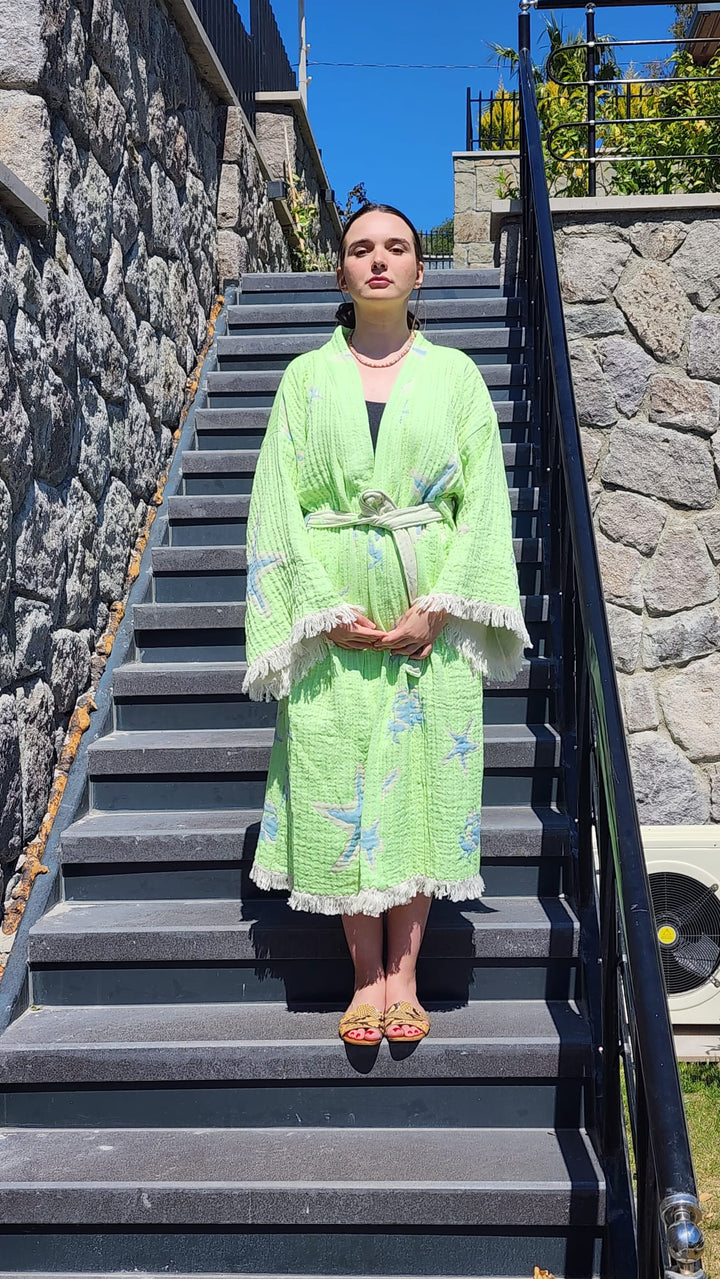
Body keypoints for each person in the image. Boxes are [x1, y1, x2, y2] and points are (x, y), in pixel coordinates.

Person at [241, 203, 530, 1046]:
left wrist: (438, 607)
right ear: (340, 272)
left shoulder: (456, 378)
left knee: (421, 781)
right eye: (360, 248)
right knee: (337, 777)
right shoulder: (304, 378)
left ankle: (406, 973)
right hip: (336, 620)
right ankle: (363, 978)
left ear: (418, 270)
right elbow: (274, 505)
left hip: (423, 620)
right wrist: (318, 612)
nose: (378, 260)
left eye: (395, 248)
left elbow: (482, 506)